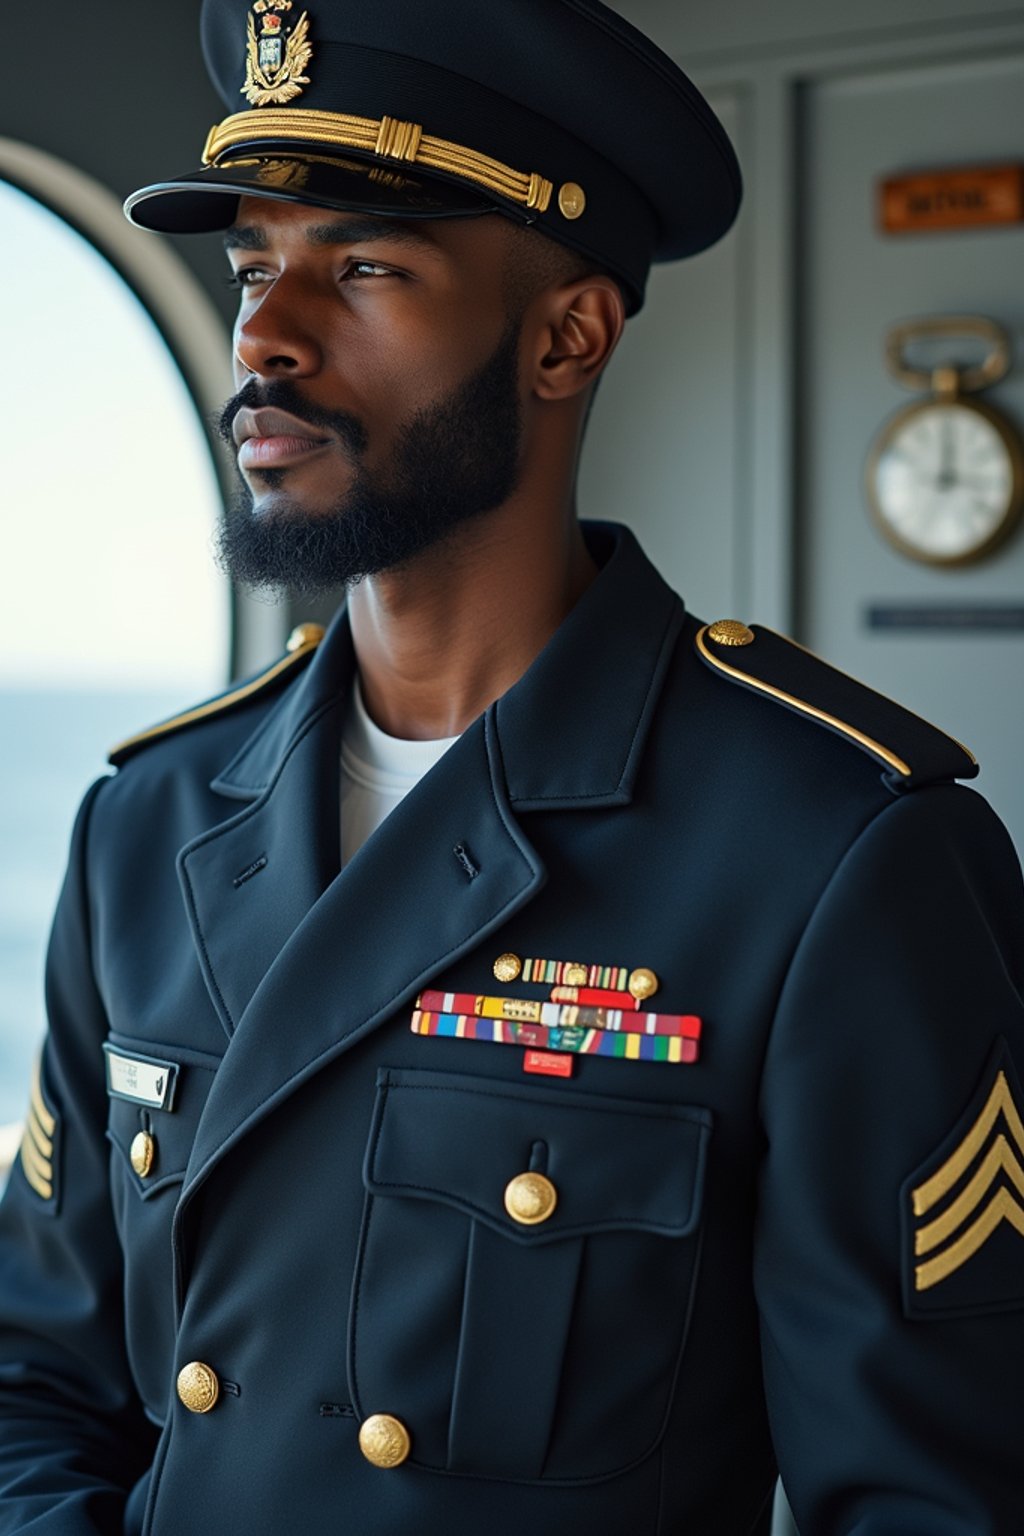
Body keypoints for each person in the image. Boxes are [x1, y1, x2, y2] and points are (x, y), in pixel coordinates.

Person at [1, 1, 1022, 1532]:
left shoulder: (837, 854)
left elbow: (928, 1503)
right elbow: (36, 1385)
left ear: (566, 336)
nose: (267, 336)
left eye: (362, 267)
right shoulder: (143, 825)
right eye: (251, 268)